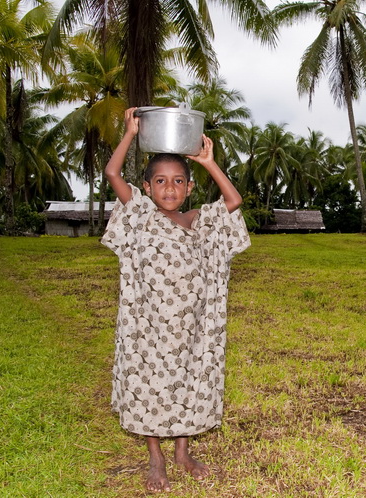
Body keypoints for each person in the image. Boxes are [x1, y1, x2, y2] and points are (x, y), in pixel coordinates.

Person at [101, 107, 250, 492]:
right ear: (147, 188)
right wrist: (130, 134)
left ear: (188, 188)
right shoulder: (141, 215)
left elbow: (232, 202)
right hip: (148, 324)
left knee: (188, 381)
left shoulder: (198, 220)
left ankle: (183, 451)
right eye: (161, 181)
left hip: (194, 324)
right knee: (151, 385)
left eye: (179, 181)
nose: (170, 188)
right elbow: (112, 175)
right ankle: (156, 457)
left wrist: (208, 163)